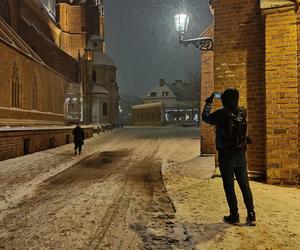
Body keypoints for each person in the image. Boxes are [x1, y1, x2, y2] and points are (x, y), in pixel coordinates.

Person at [202, 88, 256, 226]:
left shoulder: (221, 113)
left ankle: (234, 215)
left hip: (226, 155)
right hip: (241, 154)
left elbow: (205, 117)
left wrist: (209, 103)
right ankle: (251, 214)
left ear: (225, 99)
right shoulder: (243, 111)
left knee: (229, 187)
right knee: (245, 185)